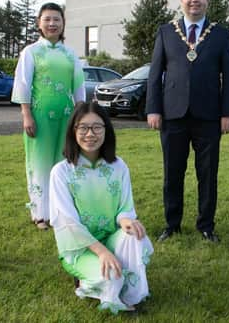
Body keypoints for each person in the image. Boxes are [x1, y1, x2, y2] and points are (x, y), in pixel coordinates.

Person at [146, 0, 229, 243]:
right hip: (172, 115)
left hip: (209, 116)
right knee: (172, 173)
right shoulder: (165, 31)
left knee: (207, 174)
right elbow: (155, 75)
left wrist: (228, 113)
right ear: (181, 0)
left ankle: (206, 225)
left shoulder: (220, 34)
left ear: (207, 1)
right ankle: (171, 224)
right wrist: (154, 109)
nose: (194, 0)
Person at [49, 102, 153, 313]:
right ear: (73, 131)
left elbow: (125, 207)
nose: (90, 134)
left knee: (135, 235)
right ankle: (85, 282)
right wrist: (102, 252)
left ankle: (131, 296)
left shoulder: (118, 166)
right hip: (81, 248)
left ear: (106, 130)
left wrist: (126, 221)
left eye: (97, 127)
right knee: (113, 279)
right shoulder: (61, 172)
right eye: (83, 127)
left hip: (111, 238)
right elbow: (67, 223)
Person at [12, 3, 85, 230]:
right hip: (39, 115)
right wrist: (27, 115)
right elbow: (22, 85)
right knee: (39, 163)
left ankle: (59, 212)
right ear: (39, 23)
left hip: (66, 116)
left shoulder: (70, 54)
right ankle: (40, 214)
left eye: (57, 19)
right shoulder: (31, 52)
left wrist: (80, 117)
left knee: (63, 163)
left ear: (63, 23)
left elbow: (79, 88)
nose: (52, 24)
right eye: (47, 19)